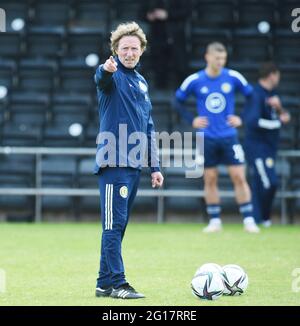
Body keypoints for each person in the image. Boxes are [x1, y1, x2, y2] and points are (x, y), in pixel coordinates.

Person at [93, 22, 164, 299]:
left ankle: (103, 282)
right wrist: (105, 69)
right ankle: (118, 284)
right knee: (112, 225)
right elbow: (101, 78)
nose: (130, 53)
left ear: (142, 51)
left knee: (117, 226)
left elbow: (148, 126)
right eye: (125, 48)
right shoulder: (112, 75)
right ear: (115, 51)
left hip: (134, 166)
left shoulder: (142, 82)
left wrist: (154, 166)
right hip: (113, 163)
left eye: (134, 48)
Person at [174, 42, 260, 233]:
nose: (220, 62)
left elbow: (252, 97)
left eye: (223, 58)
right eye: (217, 58)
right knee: (210, 178)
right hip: (206, 138)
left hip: (229, 136)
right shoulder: (195, 80)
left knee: (239, 176)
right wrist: (192, 119)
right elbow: (177, 101)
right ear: (207, 57)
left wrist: (242, 118)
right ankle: (215, 221)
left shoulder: (233, 77)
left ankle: (248, 220)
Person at [243, 62, 290, 227]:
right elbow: (252, 121)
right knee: (269, 182)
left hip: (269, 147)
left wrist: (280, 109)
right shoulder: (256, 94)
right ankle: (262, 218)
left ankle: (259, 219)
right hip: (257, 147)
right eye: (277, 75)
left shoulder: (273, 94)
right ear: (272, 74)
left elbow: (283, 117)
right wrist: (278, 123)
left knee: (259, 183)